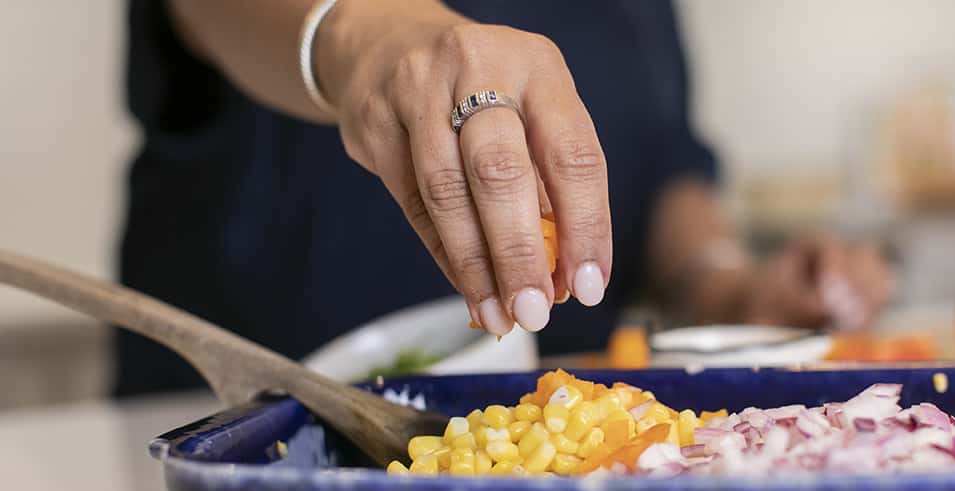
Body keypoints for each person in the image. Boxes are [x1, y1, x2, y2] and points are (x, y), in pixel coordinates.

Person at [119, 0, 893, 397]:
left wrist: (728, 286)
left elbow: (659, 157)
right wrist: (371, 40)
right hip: (232, 430)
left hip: (551, 456)